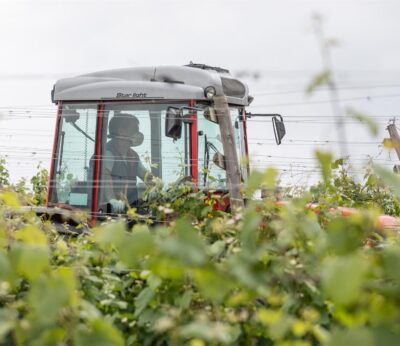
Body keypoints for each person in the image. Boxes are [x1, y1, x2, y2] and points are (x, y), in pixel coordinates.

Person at [102, 113, 150, 213]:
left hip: (129, 209)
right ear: (121, 131)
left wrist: (158, 186)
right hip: (108, 211)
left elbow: (145, 175)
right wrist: (112, 200)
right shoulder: (108, 152)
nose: (138, 133)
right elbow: (105, 176)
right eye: (134, 130)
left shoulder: (132, 155)